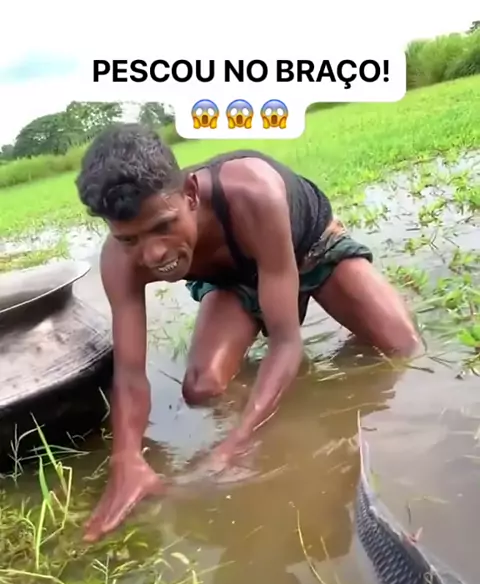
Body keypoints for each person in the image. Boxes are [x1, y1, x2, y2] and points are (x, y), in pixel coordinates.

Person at [76, 123, 419, 542]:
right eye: (130, 239)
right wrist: (126, 458)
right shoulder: (120, 261)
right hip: (235, 279)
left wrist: (237, 441)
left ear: (190, 193)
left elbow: (286, 342)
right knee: (202, 388)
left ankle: (364, 306)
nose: (153, 252)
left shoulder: (253, 192)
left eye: (164, 225)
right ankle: (275, 390)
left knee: (402, 347)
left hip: (309, 248)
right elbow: (129, 375)